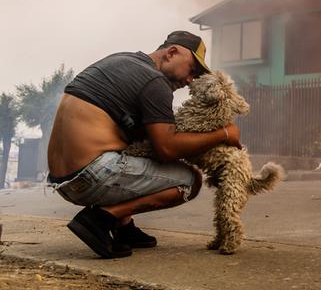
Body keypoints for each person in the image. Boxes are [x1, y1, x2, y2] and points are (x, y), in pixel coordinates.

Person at [47, 31, 243, 258]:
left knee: (135, 148)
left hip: (62, 181)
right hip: (92, 174)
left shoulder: (121, 60)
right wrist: (224, 134)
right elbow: (166, 149)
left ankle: (124, 227)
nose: (190, 80)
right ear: (171, 53)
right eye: (192, 70)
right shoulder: (155, 82)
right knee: (190, 181)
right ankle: (101, 219)